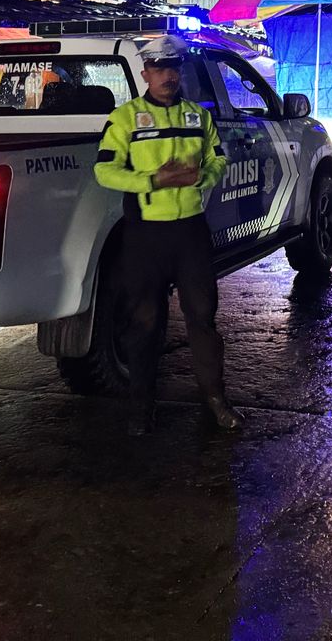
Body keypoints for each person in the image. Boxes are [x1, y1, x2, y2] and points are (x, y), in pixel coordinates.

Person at [94, 34, 241, 436]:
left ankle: (216, 401)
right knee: (145, 323)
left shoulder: (197, 116)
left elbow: (218, 157)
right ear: (145, 74)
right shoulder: (125, 118)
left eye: (173, 68)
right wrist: (153, 181)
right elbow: (103, 171)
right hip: (145, 236)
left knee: (203, 318)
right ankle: (141, 410)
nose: (167, 76)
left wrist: (202, 178)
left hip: (190, 232)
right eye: (158, 69)